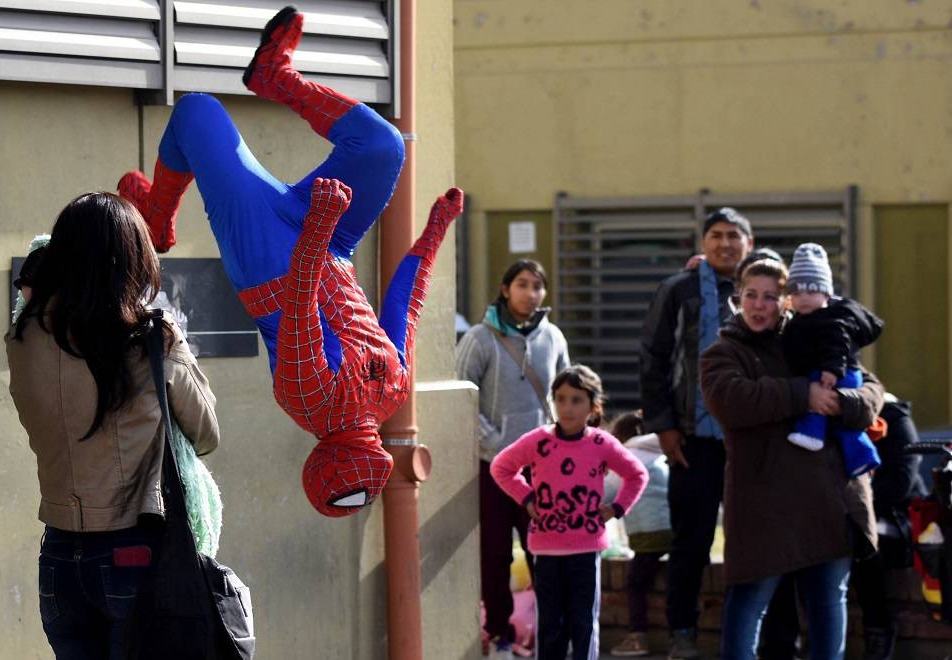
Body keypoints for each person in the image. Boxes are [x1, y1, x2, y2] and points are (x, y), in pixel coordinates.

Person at [116, 6, 463, 517]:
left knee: (196, 113)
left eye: (350, 481)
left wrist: (322, 222)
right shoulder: (391, 390)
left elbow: (301, 305)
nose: (367, 469)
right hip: (332, 245)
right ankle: (274, 77)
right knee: (382, 147)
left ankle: (156, 217)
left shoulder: (309, 403)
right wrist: (435, 231)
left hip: (269, 265)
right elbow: (404, 308)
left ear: (327, 467)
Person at [6, 192, 221, 659]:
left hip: (58, 555)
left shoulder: (23, 339)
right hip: (133, 548)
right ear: (131, 260)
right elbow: (206, 433)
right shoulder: (150, 339)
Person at [699, 258, 883, 660]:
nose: (759, 305)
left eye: (770, 296)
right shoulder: (723, 352)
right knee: (749, 602)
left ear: (785, 300)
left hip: (829, 499)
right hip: (764, 504)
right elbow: (732, 400)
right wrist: (803, 395)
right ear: (738, 297)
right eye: (751, 295)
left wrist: (841, 402)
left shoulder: (815, 331)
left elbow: (872, 391)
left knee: (828, 603)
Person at [638, 207, 754, 659]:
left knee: (757, 539)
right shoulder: (678, 290)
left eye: (734, 236)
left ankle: (759, 635)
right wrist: (664, 427)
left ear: (749, 242)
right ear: (703, 243)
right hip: (691, 441)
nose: (725, 243)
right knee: (691, 542)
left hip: (751, 442)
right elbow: (652, 359)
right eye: (716, 235)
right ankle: (682, 632)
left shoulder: (762, 289)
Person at [490, 365, 649, 660]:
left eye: (576, 400)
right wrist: (526, 497)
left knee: (583, 622)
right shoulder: (538, 440)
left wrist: (617, 508)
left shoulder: (602, 443)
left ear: (593, 406)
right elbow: (501, 467)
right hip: (546, 551)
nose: (567, 407)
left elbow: (637, 474)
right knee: (550, 625)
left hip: (586, 550)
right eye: (560, 399)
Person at [456, 259, 570, 657]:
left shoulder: (552, 337)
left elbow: (565, 394)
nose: (531, 294)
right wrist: (496, 445)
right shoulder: (479, 338)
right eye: (522, 284)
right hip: (493, 467)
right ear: (505, 290)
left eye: (537, 286)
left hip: (542, 468)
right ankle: (499, 632)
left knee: (546, 552)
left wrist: (561, 442)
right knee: (496, 553)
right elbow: (463, 397)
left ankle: (548, 633)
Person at [781, 243, 884, 477]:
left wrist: (832, 370)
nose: (803, 298)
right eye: (796, 293)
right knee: (845, 430)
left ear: (826, 294)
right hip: (838, 375)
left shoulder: (830, 320)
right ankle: (864, 457)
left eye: (811, 292)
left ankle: (811, 433)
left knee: (817, 404)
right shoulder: (804, 320)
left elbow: (838, 344)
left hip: (838, 375)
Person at [608, 411, 672, 658]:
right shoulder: (660, 452)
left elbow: (607, 491)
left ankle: (637, 636)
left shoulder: (625, 457)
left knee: (635, 583)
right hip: (672, 529)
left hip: (648, 533)